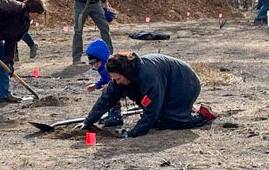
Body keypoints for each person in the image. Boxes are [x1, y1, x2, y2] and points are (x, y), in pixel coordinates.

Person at [83, 51, 215, 139]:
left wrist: (134, 133)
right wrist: (88, 122)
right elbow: (106, 99)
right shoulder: (122, 76)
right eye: (114, 79)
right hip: (167, 85)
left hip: (185, 83)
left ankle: (203, 114)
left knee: (171, 121)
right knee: (158, 120)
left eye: (118, 79)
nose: (117, 82)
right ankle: (182, 108)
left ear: (127, 73)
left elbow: (152, 109)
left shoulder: (148, 77)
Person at [83, 38, 123, 128]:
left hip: (121, 86)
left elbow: (119, 79)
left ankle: (116, 116)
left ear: (102, 57)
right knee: (107, 94)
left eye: (96, 63)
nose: (95, 65)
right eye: (93, 64)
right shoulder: (101, 68)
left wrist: (110, 86)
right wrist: (96, 85)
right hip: (113, 86)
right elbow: (105, 79)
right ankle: (111, 114)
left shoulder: (111, 65)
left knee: (112, 95)